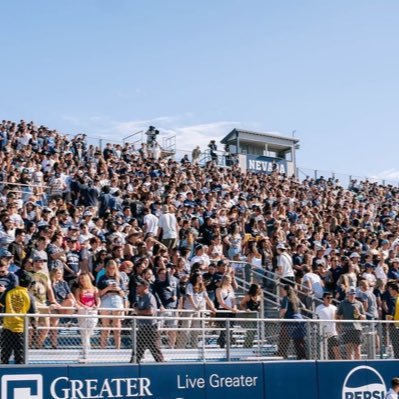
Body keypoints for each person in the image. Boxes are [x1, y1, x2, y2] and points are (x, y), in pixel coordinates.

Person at [1, 272, 36, 364]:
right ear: (29, 284)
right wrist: (34, 324)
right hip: (20, 329)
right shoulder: (29, 296)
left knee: (5, 354)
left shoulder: (9, 292)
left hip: (7, 327)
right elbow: (32, 312)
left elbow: (1, 303)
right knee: (20, 356)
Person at [130, 278, 164, 363]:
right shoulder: (140, 298)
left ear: (145, 287)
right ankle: (133, 364)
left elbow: (151, 311)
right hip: (142, 327)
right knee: (138, 348)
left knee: (155, 348)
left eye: (139, 286)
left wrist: (138, 312)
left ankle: (162, 365)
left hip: (151, 328)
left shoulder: (149, 297)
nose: (137, 287)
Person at [97, 260, 126, 349]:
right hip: (106, 298)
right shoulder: (103, 278)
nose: (111, 270)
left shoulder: (119, 278)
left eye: (113, 268)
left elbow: (124, 294)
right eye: (109, 268)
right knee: (105, 325)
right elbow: (99, 293)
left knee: (117, 325)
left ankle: (117, 348)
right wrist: (107, 288)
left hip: (117, 298)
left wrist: (118, 289)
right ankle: (103, 347)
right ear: (106, 268)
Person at [277, 284, 307, 360]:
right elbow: (303, 307)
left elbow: (284, 310)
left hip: (290, 321)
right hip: (300, 320)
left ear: (286, 291)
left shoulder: (286, 298)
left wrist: (279, 317)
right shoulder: (296, 298)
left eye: (282, 290)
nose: (281, 292)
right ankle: (301, 356)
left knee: (283, 338)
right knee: (299, 340)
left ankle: (281, 353)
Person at [74, 273, 100, 358]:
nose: (82, 280)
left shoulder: (94, 289)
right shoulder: (78, 289)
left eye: (83, 278)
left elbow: (97, 299)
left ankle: (86, 348)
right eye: (80, 279)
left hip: (92, 311)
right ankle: (86, 350)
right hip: (83, 311)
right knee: (84, 332)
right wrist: (84, 306)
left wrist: (97, 306)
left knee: (90, 330)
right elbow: (77, 300)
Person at [336, 287, 366, 360]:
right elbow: (337, 316)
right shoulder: (343, 303)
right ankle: (351, 366)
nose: (352, 295)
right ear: (347, 294)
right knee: (349, 350)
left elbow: (364, 317)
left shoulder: (359, 303)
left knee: (357, 350)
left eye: (353, 294)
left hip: (357, 329)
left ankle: (358, 365)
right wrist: (338, 327)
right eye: (350, 294)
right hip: (346, 329)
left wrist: (359, 314)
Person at [315, 292, 341, 359]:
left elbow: (337, 319)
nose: (330, 299)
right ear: (324, 298)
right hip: (322, 334)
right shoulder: (318, 308)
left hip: (333, 333)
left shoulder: (334, 308)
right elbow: (315, 320)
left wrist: (338, 329)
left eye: (331, 298)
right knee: (324, 354)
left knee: (336, 352)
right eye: (328, 298)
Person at [240, 283, 262, 348]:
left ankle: (250, 345)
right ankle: (245, 346)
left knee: (254, 332)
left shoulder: (259, 296)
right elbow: (241, 304)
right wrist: (245, 309)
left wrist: (259, 308)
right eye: (258, 288)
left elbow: (259, 305)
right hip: (249, 315)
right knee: (250, 332)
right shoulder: (248, 296)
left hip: (256, 315)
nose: (259, 289)